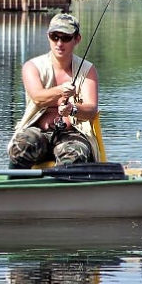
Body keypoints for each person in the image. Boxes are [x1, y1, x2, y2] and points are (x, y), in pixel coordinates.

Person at [8, 13, 100, 168]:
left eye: (65, 38)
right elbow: (38, 98)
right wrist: (61, 90)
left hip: (72, 135)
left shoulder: (88, 70)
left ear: (77, 39)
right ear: (48, 36)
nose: (59, 43)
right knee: (21, 146)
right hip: (38, 131)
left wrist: (72, 109)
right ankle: (12, 188)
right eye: (54, 36)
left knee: (75, 155)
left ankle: (61, 188)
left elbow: (91, 110)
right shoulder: (32, 67)